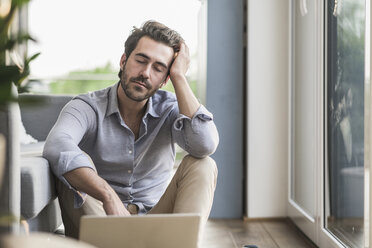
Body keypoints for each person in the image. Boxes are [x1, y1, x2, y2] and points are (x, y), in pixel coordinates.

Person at [43, 20, 219, 239]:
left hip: (155, 222)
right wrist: (108, 194)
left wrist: (180, 78)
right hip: (102, 220)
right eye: (141, 61)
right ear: (123, 60)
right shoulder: (87, 106)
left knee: (202, 164)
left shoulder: (170, 108)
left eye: (158, 68)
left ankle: (180, 242)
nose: (145, 73)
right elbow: (56, 144)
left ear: (165, 79)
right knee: (69, 163)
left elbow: (205, 145)